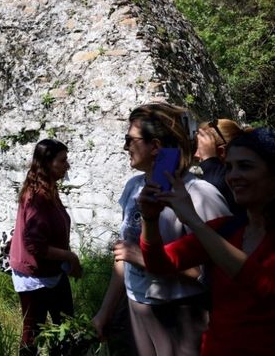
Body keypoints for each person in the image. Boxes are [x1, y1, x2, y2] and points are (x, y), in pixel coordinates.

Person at [92, 103, 231, 356]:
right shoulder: (133, 188)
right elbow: (123, 258)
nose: (125, 147)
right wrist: (104, 313)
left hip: (180, 315)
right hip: (137, 309)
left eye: (130, 140)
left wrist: (143, 257)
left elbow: (216, 270)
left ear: (155, 146)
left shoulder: (200, 195)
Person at [139, 128, 275, 355]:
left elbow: (264, 287)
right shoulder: (225, 229)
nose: (232, 176)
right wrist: (150, 218)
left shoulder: (215, 232)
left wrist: (193, 220)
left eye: (246, 166)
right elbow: (159, 263)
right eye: (229, 167)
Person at [9, 139, 81, 356]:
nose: (67, 165)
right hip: (34, 276)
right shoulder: (37, 196)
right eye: (63, 160)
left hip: (51, 272)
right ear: (48, 163)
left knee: (66, 328)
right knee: (33, 334)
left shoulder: (48, 188)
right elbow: (35, 245)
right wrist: (71, 257)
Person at [195, 118, 246, 215]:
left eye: (201, 149)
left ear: (221, 152)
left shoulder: (235, 182)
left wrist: (208, 159)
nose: (196, 154)